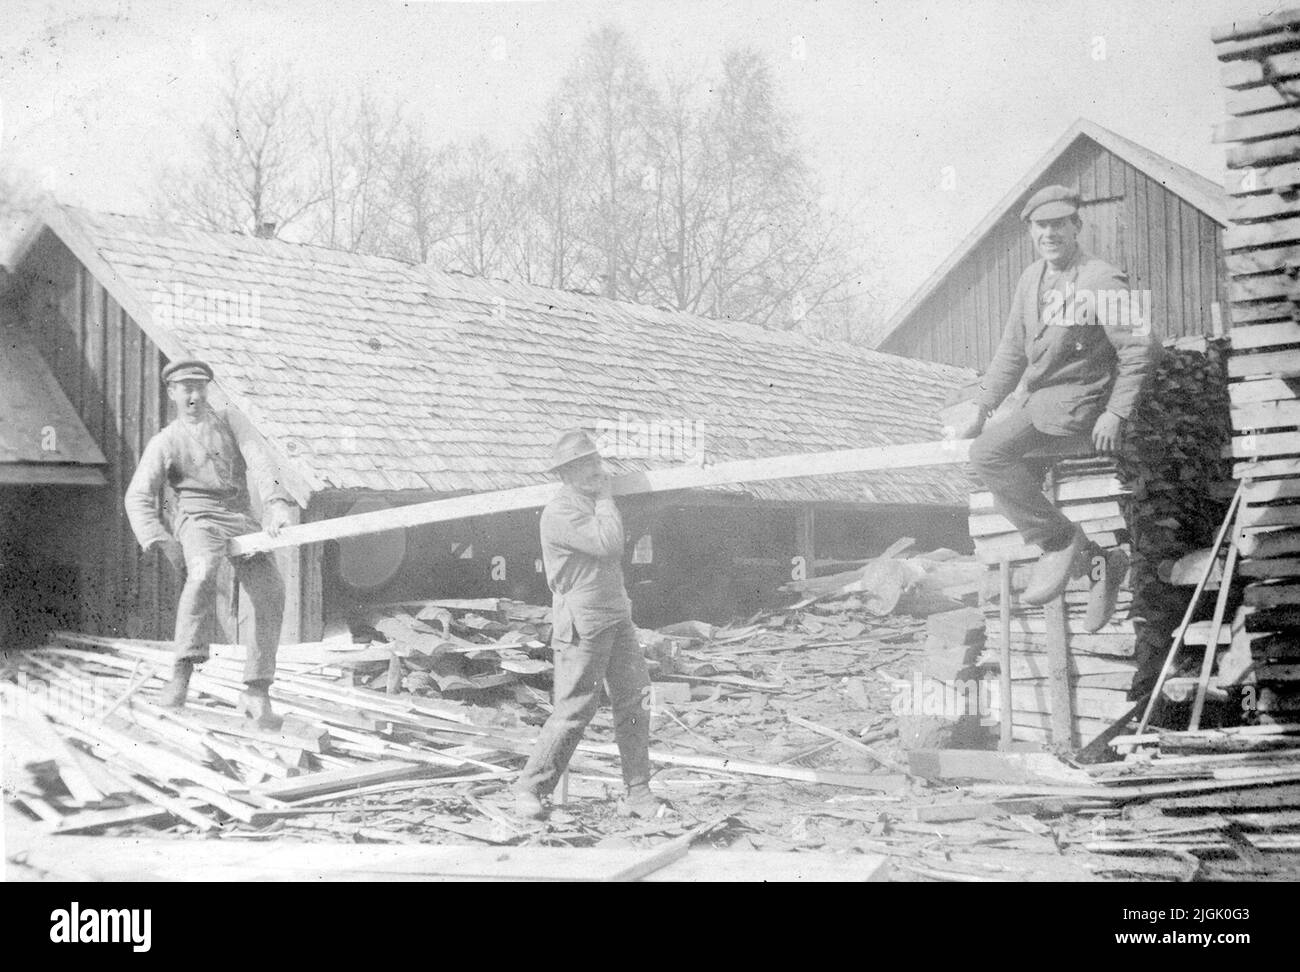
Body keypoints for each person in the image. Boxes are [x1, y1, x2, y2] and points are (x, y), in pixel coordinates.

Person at [945, 185, 1158, 626]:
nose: (1050, 233)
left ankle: (1061, 542)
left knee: (989, 454)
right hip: (1040, 404)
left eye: (1060, 224)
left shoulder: (1099, 278)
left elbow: (1142, 348)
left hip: (1082, 406)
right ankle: (1101, 562)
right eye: (1042, 226)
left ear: (1076, 227)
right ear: (1031, 232)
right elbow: (1011, 352)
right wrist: (981, 408)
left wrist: (1116, 412)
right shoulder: (1030, 280)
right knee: (993, 461)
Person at [125, 359, 295, 728]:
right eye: (186, 388)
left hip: (239, 518)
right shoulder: (166, 441)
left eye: (200, 387)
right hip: (198, 520)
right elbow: (137, 496)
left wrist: (276, 504)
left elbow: (262, 463)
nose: (194, 396)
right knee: (201, 574)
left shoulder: (232, 422)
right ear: (172, 393)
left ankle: (257, 688)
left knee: (270, 589)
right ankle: (181, 674)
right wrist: (161, 541)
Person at [513, 429, 663, 821]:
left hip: (616, 614)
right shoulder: (562, 512)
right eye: (582, 466)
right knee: (577, 706)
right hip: (583, 621)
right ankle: (530, 788)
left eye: (595, 462)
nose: (594, 471)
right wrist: (608, 498)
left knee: (636, 697)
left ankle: (639, 791)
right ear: (564, 474)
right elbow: (608, 544)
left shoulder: (594, 502)